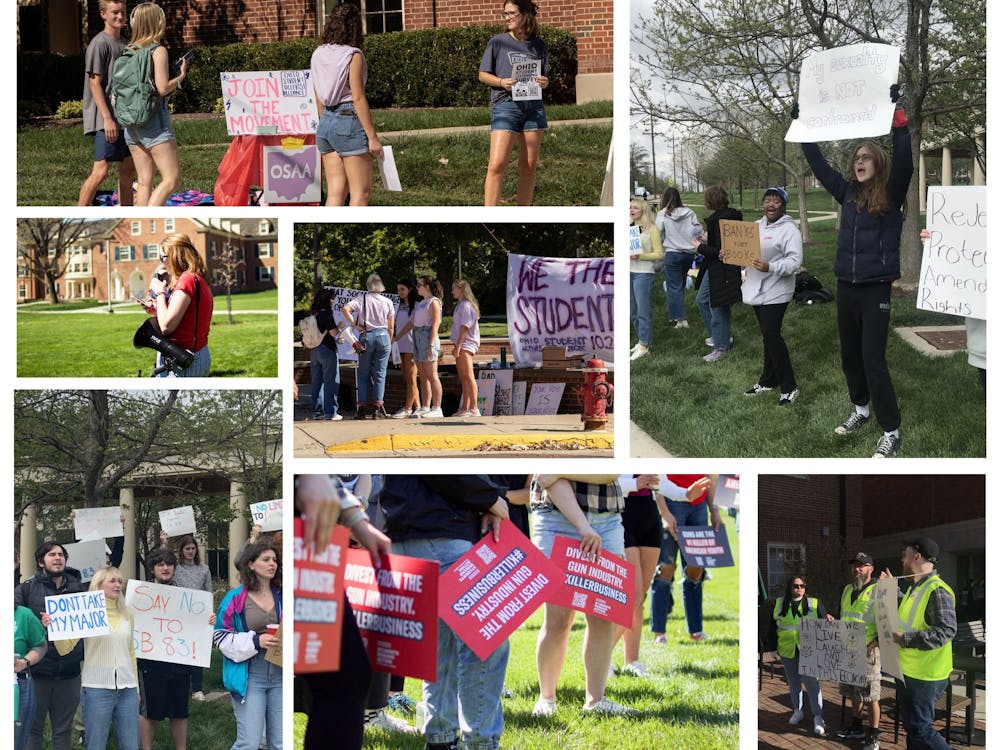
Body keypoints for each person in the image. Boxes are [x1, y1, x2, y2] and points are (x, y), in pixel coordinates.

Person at [799, 86, 912, 457]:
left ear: (877, 162)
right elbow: (818, 165)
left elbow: (907, 163)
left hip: (875, 288)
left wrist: (899, 121)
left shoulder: (892, 193)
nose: (858, 161)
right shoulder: (846, 193)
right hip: (845, 286)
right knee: (850, 354)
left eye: (865, 157)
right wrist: (802, 126)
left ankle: (890, 429)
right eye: (855, 157)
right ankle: (860, 409)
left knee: (873, 359)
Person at [379, 475, 512, 749]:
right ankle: (480, 741)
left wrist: (488, 500)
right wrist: (491, 498)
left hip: (414, 528)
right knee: (484, 639)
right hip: (438, 529)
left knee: (442, 646)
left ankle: (440, 739)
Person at [295, 475, 392, 750]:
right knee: (341, 677)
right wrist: (307, 477)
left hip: (312, 535)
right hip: (304, 537)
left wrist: (356, 521)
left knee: (342, 676)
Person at [530, 476, 638, 716]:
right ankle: (546, 698)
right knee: (558, 618)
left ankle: (596, 701)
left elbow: (610, 473)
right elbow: (545, 476)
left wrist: (559, 470)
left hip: (606, 518)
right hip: (555, 516)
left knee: (602, 615)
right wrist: (582, 525)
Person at [728, 186, 801, 405]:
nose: (771, 204)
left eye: (776, 201)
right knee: (767, 335)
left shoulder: (790, 230)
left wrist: (770, 266)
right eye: (768, 200)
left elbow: (794, 262)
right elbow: (745, 253)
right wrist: (730, 253)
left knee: (771, 334)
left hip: (778, 288)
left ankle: (790, 387)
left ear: (783, 205)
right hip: (755, 287)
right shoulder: (754, 227)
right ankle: (768, 380)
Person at [52, 567, 139, 750]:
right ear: (98, 586)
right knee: (96, 744)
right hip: (97, 689)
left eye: (119, 581)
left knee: (131, 745)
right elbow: (64, 649)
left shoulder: (128, 614)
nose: (118, 585)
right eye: (112, 581)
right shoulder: (87, 612)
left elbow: (131, 652)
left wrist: (136, 688)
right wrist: (55, 628)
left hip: (127, 689)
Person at [882, 537, 957, 750]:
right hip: (910, 672)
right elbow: (909, 616)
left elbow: (946, 630)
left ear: (916, 556)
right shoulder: (916, 588)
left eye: (905, 554)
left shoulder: (936, 590)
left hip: (925, 675)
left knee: (920, 729)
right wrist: (890, 587)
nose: (902, 559)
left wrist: (906, 639)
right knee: (913, 729)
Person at [138, 548, 215, 750]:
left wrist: (207, 620)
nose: (165, 568)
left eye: (169, 564)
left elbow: (196, 624)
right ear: (152, 569)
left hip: (180, 661)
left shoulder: (186, 596)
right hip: (150, 662)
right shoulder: (141, 595)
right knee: (149, 712)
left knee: (180, 711)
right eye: (160, 564)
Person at [15, 541, 85, 750]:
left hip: (70, 672)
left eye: (61, 554)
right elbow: (15, 620)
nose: (58, 558)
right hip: (36, 673)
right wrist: (39, 625)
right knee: (32, 729)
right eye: (52, 554)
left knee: (63, 731)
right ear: (40, 562)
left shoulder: (79, 589)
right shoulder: (26, 589)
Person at [479, 0, 549, 206]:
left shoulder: (539, 46)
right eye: (505, 14)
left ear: (525, 15)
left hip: (533, 108)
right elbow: (482, 75)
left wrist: (545, 82)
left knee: (528, 166)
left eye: (511, 13)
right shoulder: (497, 42)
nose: (507, 17)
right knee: (497, 164)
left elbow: (544, 77)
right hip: (505, 105)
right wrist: (501, 82)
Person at [311, 3, 383, 206]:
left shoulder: (318, 53)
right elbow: (358, 97)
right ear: (355, 26)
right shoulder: (353, 55)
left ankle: (327, 235)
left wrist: (324, 119)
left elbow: (317, 94)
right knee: (360, 194)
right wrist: (372, 137)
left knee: (335, 193)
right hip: (348, 119)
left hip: (325, 121)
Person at [214, 542, 283, 750]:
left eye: (275, 560)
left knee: (280, 743)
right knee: (249, 743)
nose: (273, 564)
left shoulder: (284, 594)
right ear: (251, 564)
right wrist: (256, 641)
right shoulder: (235, 598)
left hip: (281, 675)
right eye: (266, 559)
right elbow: (220, 636)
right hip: (250, 676)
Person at [120, 3, 187, 206]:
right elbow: (162, 88)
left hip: (131, 122)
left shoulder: (128, 51)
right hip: (153, 121)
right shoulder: (157, 51)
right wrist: (181, 76)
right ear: (158, 22)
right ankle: (151, 217)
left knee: (144, 182)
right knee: (171, 179)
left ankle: (140, 221)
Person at [607, 475, 666, 677]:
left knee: (639, 599)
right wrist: (634, 483)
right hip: (622, 512)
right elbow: (605, 480)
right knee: (632, 596)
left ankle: (632, 660)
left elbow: (660, 480)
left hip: (649, 514)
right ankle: (601, 658)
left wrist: (685, 494)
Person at [78, 0, 136, 207]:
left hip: (126, 119)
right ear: (103, 14)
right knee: (101, 171)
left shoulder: (127, 44)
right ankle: (79, 213)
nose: (120, 16)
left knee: (128, 173)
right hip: (106, 119)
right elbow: (94, 83)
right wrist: (107, 119)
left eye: (122, 12)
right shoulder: (99, 43)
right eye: (115, 13)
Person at [648, 475, 717, 644]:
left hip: (699, 505)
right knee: (665, 568)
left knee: (696, 569)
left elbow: (712, 477)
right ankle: (659, 633)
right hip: (672, 502)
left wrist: (714, 511)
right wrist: (664, 512)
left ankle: (696, 630)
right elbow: (657, 476)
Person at [142, 234, 214, 377]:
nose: (161, 262)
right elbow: (185, 317)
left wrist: (160, 292)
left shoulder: (186, 280)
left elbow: (167, 327)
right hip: (194, 355)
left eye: (163, 257)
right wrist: (157, 310)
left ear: (175, 256)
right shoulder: (196, 278)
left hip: (182, 359)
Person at [835, 553, 882, 750]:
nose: (857, 569)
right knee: (853, 691)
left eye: (862, 566)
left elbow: (889, 621)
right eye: (855, 565)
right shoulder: (847, 589)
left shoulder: (880, 590)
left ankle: (873, 735)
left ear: (871, 568)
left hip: (868, 650)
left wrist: (877, 641)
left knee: (871, 695)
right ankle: (857, 727)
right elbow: (844, 616)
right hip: (848, 649)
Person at [692, 186, 743, 361]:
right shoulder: (731, 216)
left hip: (722, 269)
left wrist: (699, 246)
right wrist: (707, 239)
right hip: (715, 268)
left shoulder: (720, 220)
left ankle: (721, 347)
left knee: (718, 304)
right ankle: (719, 335)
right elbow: (722, 244)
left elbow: (722, 251)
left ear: (709, 201)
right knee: (702, 299)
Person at [773, 575, 828, 736]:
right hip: (787, 650)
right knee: (793, 682)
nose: (799, 589)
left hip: (809, 651)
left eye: (802, 586)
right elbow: (772, 628)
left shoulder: (814, 603)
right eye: (796, 586)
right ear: (790, 587)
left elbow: (826, 620)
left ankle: (818, 717)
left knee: (812, 684)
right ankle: (798, 711)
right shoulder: (779, 603)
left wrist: (828, 618)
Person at [342, 274, 395, 419]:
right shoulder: (388, 302)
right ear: (381, 285)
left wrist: (355, 325)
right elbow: (391, 326)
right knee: (380, 374)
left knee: (364, 374)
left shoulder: (362, 299)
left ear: (368, 285)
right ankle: (377, 408)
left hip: (367, 336)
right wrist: (389, 341)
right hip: (384, 336)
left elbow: (345, 309)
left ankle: (362, 408)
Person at [393, 276, 444, 418]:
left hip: (427, 336)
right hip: (417, 336)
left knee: (432, 375)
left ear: (427, 286)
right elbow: (411, 322)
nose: (417, 287)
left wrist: (431, 345)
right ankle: (425, 406)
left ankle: (437, 407)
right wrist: (397, 337)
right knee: (423, 376)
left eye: (419, 285)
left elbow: (435, 324)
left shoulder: (434, 302)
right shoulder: (422, 303)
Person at [171, 535, 213, 702]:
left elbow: (209, 590)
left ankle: (197, 688)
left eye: (192, 548)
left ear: (196, 550)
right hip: (179, 616)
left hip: (199, 616)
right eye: (187, 548)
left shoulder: (204, 569)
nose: (190, 551)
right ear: (182, 550)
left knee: (197, 653)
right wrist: (164, 543)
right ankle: (180, 686)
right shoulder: (176, 568)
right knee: (180, 651)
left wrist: (210, 613)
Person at [655, 186, 702, 328]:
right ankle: (680, 313)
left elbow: (658, 233)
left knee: (673, 287)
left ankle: (680, 319)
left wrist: (665, 241)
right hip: (688, 254)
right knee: (679, 284)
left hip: (672, 253)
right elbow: (698, 229)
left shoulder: (663, 214)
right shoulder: (689, 212)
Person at [629, 198, 663, 361]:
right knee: (633, 311)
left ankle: (645, 345)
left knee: (643, 311)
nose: (631, 210)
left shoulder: (652, 229)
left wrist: (640, 256)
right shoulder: (628, 227)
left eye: (635, 208)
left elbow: (659, 254)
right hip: (627, 272)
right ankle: (641, 339)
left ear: (643, 210)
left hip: (643, 273)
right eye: (630, 207)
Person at [14, 602, 48, 750]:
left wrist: (24, 662)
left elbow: (40, 645)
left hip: (17, 683)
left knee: (16, 739)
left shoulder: (24, 614)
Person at [307, 288, 343, 421]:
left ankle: (317, 412)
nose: (333, 301)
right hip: (327, 349)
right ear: (327, 300)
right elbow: (333, 333)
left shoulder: (313, 314)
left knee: (317, 382)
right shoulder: (326, 314)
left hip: (314, 350)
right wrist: (340, 326)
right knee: (331, 381)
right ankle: (331, 412)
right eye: (332, 298)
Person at [451, 279, 482, 417]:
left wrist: (458, 346)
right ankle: (465, 408)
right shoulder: (461, 306)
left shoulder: (466, 306)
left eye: (454, 289)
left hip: (466, 343)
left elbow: (465, 327)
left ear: (461, 290)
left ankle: (474, 408)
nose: (452, 291)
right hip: (461, 343)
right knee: (463, 377)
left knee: (469, 376)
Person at [392, 279, 421, 418]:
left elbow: (412, 323)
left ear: (409, 289)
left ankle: (408, 408)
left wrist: (397, 336)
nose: (399, 292)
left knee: (411, 378)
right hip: (400, 346)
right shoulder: (398, 305)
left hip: (411, 345)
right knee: (407, 378)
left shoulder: (417, 305)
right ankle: (419, 407)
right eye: (398, 290)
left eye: (402, 289)